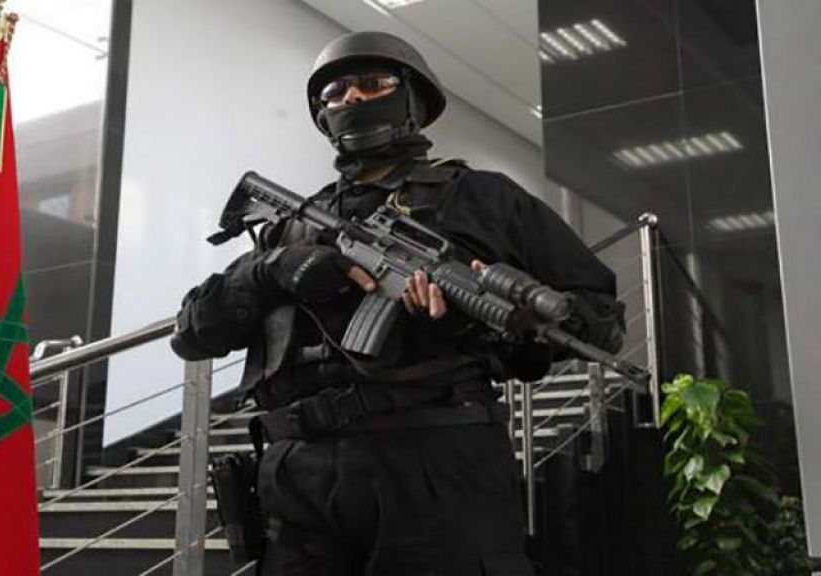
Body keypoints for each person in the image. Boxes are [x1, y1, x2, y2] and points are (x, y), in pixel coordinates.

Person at [170, 31, 624, 576]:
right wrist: (268, 272)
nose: (353, 98)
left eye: (373, 83)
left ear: (412, 98)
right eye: (336, 92)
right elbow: (191, 334)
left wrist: (493, 332)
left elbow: (599, 318)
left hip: (436, 465)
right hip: (298, 479)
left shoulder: (484, 197)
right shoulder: (289, 226)